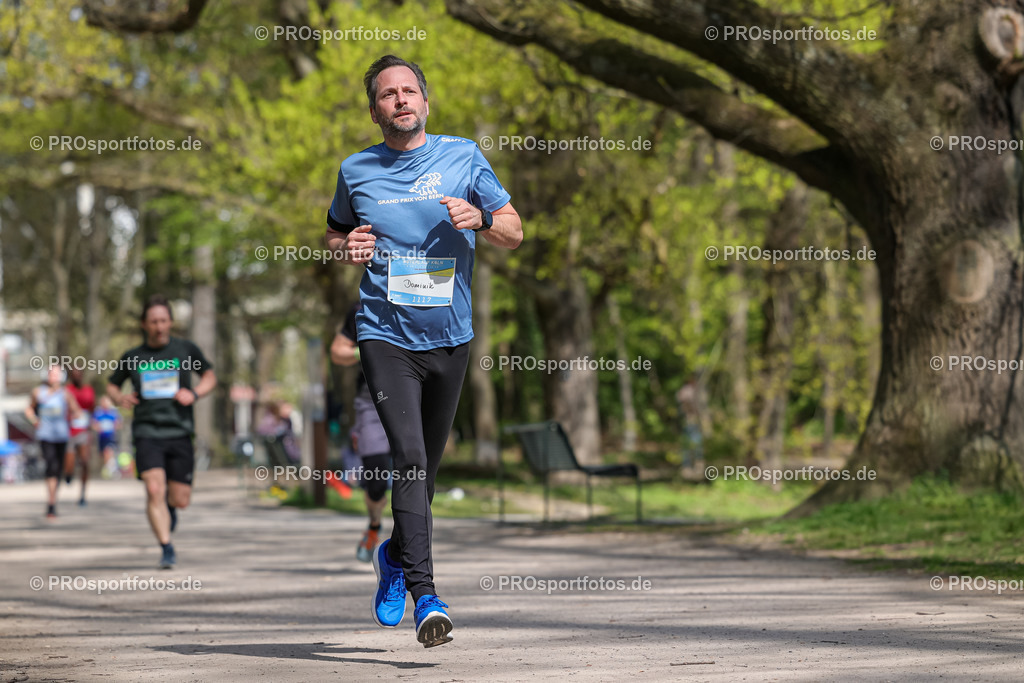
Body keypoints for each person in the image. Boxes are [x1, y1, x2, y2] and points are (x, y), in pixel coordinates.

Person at [325, 55, 522, 647]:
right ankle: (426, 595)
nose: (400, 100)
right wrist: (346, 246)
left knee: (425, 476)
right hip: (383, 335)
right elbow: (335, 233)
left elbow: (514, 230)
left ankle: (391, 554)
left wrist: (481, 217)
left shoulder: (463, 157)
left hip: (450, 340)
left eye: (410, 91)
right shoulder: (356, 169)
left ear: (426, 104)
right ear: (375, 109)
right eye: (388, 94)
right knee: (407, 460)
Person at [107, 295, 216, 569]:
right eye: (153, 321)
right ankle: (166, 547)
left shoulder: (185, 350)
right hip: (147, 431)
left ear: (170, 322)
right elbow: (111, 385)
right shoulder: (133, 357)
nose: (159, 326)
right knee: (154, 489)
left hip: (179, 431)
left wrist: (194, 393)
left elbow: (210, 376)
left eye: (164, 320)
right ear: (144, 324)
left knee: (180, 499)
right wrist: (120, 398)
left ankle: (170, 510)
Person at [331, 301, 393, 563]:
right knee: (377, 477)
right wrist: (365, 352)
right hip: (371, 402)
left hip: (415, 398)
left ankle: (406, 543)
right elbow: (337, 352)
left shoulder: (424, 300)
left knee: (413, 469)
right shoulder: (362, 308)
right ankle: (374, 526)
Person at [25, 365, 83, 519]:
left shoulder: (65, 394)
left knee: (58, 469)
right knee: (51, 465)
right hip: (45, 435)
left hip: (62, 436)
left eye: (57, 374)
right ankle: (51, 503)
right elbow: (29, 409)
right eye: (51, 374)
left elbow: (77, 410)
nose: (54, 377)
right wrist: (34, 420)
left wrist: (76, 416)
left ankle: (54, 499)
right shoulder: (38, 392)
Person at [66, 368, 96, 505]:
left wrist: (91, 422)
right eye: (74, 375)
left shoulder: (88, 390)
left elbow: (92, 408)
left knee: (84, 461)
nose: (77, 377)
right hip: (68, 431)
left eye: (79, 375)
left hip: (83, 430)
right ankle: (68, 474)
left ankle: (83, 494)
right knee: (70, 463)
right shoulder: (67, 390)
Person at [93, 395, 121, 479]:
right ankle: (109, 468)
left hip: (111, 436)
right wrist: (98, 428)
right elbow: (94, 423)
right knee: (103, 454)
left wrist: (114, 427)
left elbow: (118, 423)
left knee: (108, 451)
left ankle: (111, 469)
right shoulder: (98, 412)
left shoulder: (114, 412)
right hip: (102, 437)